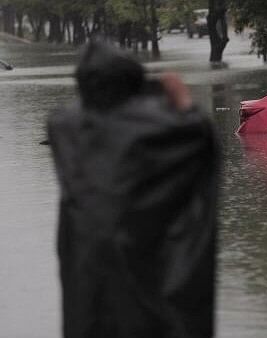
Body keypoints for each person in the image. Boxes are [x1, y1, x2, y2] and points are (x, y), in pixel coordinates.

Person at [47, 40, 219, 338]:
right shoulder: (163, 136)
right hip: (146, 303)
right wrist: (181, 99)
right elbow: (201, 136)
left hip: (87, 307)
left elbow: (74, 116)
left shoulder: (65, 130)